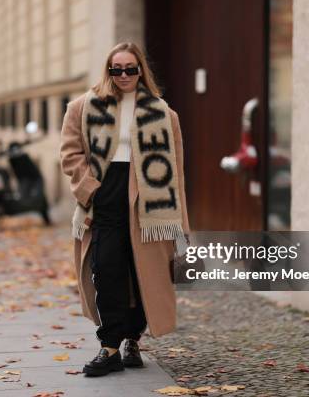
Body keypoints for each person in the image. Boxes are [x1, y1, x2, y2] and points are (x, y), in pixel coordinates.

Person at [59, 42, 190, 377]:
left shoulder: (163, 112)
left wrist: (181, 223)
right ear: (108, 71)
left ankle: (132, 338)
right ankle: (110, 346)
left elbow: (176, 170)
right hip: (105, 192)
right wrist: (90, 187)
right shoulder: (83, 107)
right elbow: (70, 153)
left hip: (148, 197)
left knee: (144, 272)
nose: (123, 75)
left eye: (130, 68)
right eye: (116, 69)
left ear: (140, 70)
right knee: (106, 269)